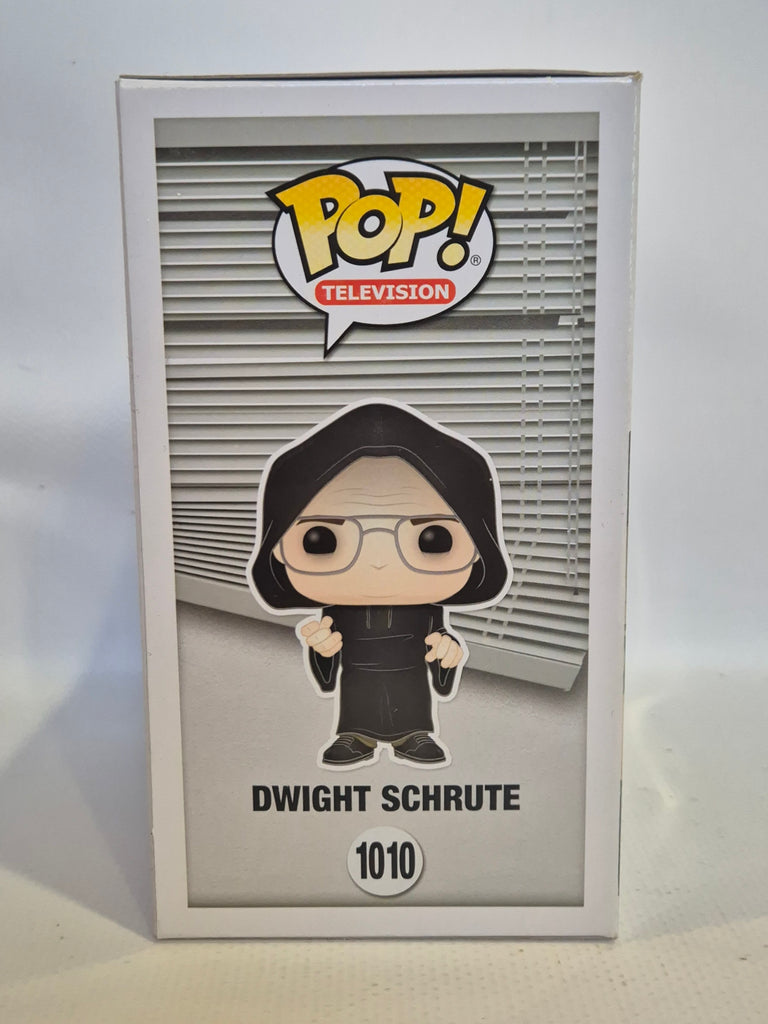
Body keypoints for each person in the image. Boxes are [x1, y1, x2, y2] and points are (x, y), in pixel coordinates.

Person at [248, 400, 511, 768]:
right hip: (357, 684)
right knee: (356, 702)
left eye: (433, 539)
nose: (378, 561)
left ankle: (413, 734)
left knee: (412, 705)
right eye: (321, 540)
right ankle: (356, 736)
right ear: (277, 549)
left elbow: (439, 651)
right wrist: (323, 650)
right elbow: (328, 669)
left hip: (412, 684)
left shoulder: (428, 610)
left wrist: (446, 655)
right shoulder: (336, 609)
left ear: (477, 549)